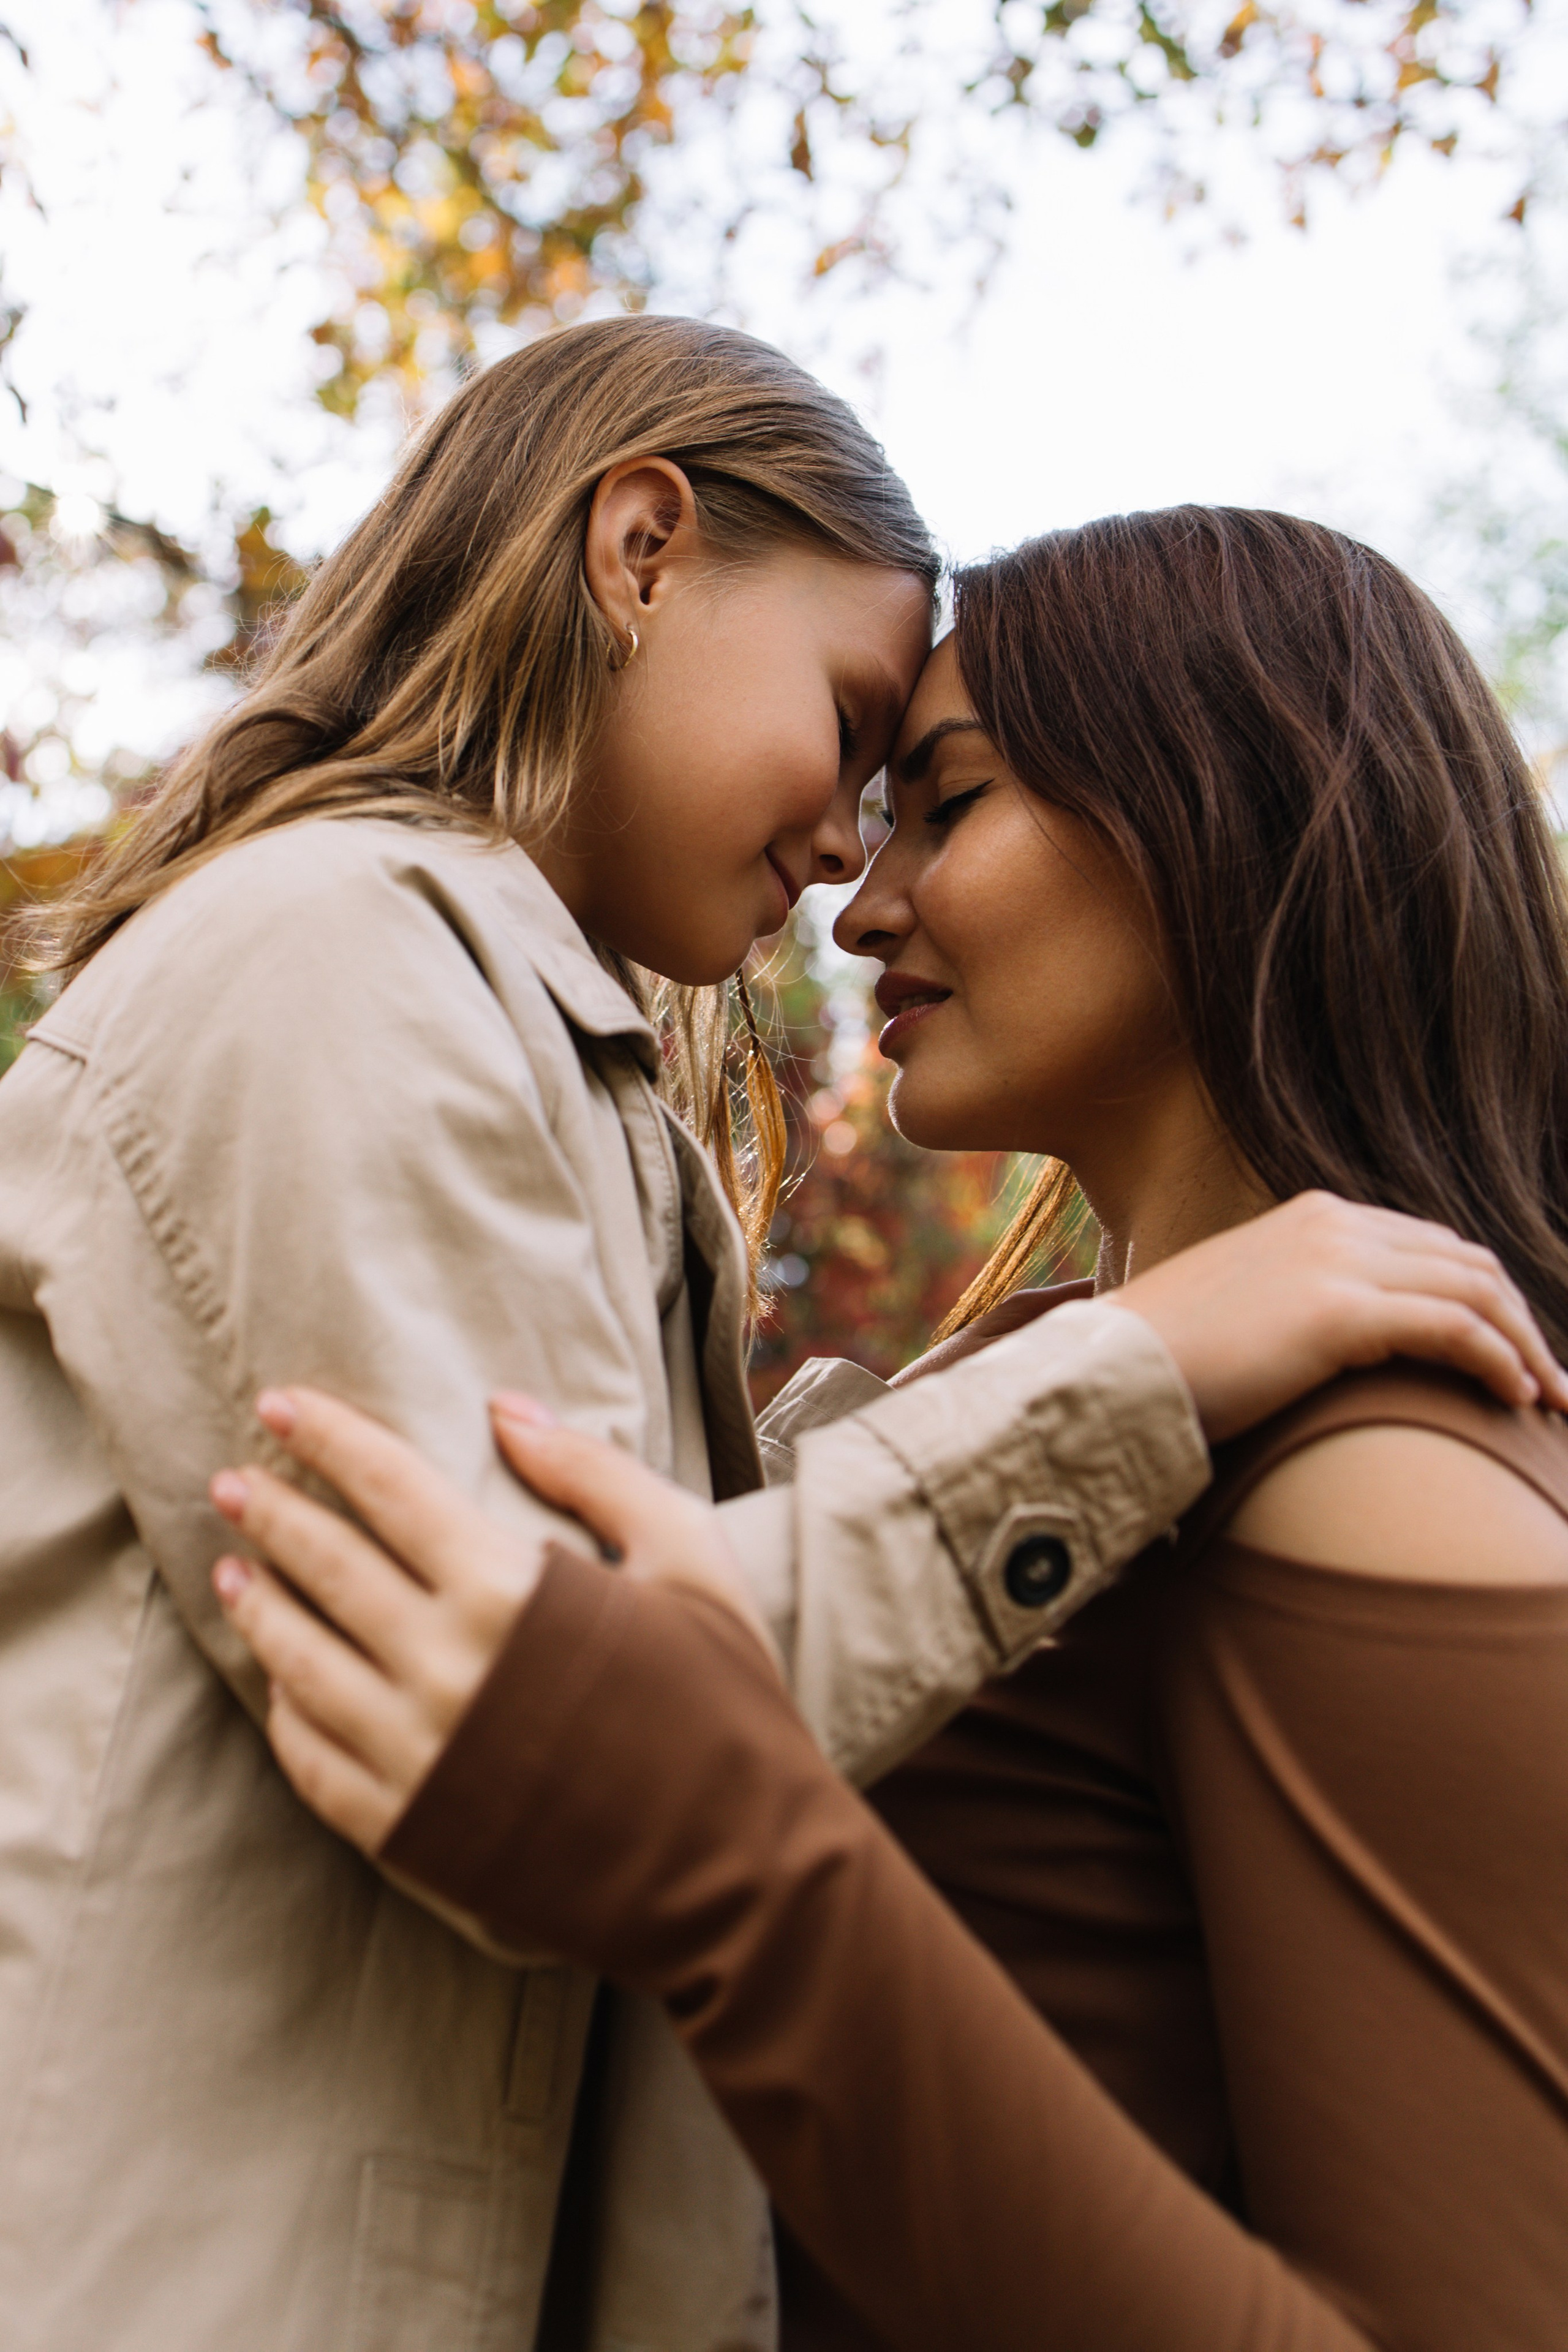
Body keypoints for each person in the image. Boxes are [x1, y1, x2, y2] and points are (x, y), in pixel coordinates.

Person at [0, 336, 1515, 2351]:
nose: (851, 882)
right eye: (858, 743)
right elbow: (539, 1720)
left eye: (936, 797)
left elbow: (602, 1671)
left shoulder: (487, 1017)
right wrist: (1128, 1378)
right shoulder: (336, 950)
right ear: (640, 550)